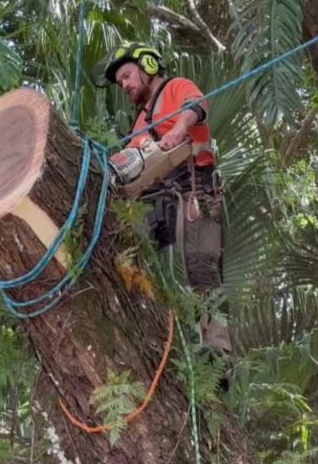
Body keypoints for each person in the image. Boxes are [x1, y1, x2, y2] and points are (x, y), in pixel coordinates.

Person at [96, 42, 231, 354]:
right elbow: (129, 160)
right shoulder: (140, 123)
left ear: (148, 65)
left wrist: (179, 128)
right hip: (157, 199)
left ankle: (218, 353)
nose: (125, 85)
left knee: (201, 269)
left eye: (127, 76)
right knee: (128, 257)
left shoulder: (175, 88)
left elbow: (197, 106)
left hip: (194, 188)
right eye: (121, 83)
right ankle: (151, 341)